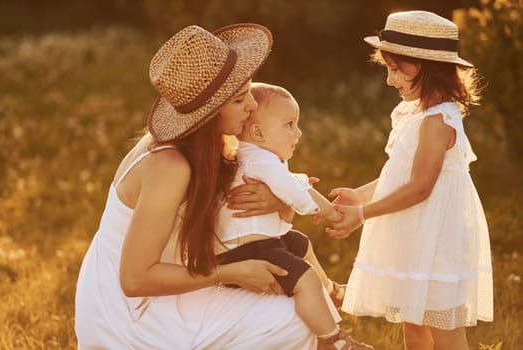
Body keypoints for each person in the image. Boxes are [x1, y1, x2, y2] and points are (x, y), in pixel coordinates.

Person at [75, 23, 319, 349]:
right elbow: (134, 279)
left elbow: (235, 207)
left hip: (170, 285)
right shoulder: (168, 166)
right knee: (293, 318)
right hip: (129, 313)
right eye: (239, 99)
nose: (252, 106)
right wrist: (233, 273)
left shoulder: (211, 147)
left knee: (301, 303)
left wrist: (279, 201)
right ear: (209, 114)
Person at [325, 11, 493, 350]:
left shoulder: (437, 121)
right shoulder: (416, 114)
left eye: (396, 69)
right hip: (418, 237)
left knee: (445, 333)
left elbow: (420, 187)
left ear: (425, 66)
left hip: (438, 241)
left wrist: (363, 215)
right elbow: (398, 173)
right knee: (414, 325)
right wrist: (359, 195)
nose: (390, 80)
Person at [215, 82, 373, 350]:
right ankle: (331, 339)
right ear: (258, 132)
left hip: (259, 244)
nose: (298, 133)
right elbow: (294, 190)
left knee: (301, 243)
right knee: (306, 278)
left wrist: (302, 190)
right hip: (246, 251)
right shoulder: (260, 160)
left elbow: (288, 198)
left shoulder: (259, 157)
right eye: (289, 125)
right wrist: (325, 210)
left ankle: (331, 292)